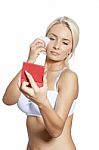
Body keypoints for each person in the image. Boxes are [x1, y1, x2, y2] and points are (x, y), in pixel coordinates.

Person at [3, 16, 79, 150]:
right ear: (44, 40)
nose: (56, 46)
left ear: (70, 51)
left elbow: (56, 131)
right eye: (52, 38)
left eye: (65, 42)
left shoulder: (68, 77)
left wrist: (42, 101)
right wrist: (30, 60)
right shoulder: (34, 71)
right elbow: (8, 100)